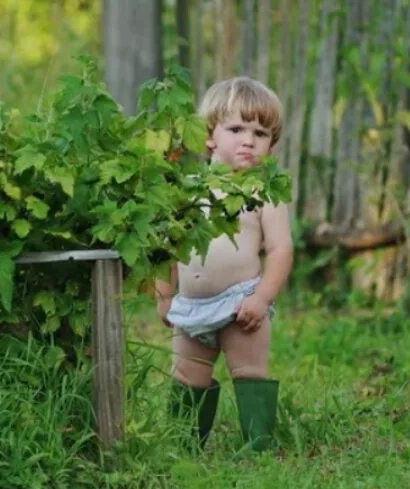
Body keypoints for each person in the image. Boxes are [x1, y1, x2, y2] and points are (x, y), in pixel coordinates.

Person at [156, 76, 293, 451]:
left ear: (272, 144)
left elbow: (280, 250)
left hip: (241, 303)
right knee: (187, 374)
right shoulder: (186, 190)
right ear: (209, 136)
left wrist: (262, 298)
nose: (249, 140)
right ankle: (183, 446)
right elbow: (168, 247)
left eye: (261, 133)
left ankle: (258, 445)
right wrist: (164, 295)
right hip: (192, 305)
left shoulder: (264, 192)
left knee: (248, 372)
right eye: (236, 129)